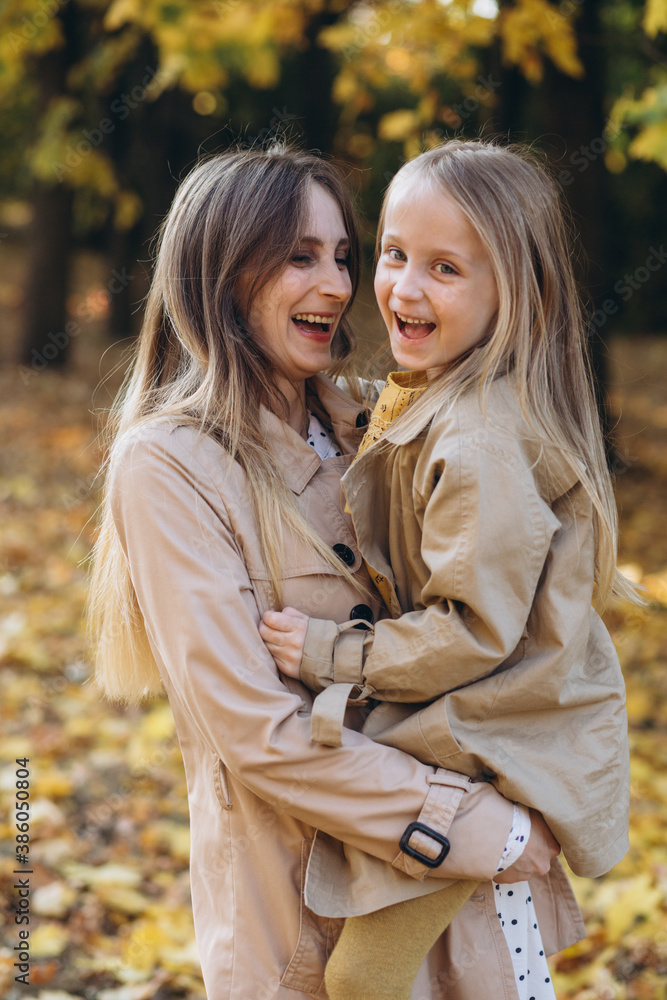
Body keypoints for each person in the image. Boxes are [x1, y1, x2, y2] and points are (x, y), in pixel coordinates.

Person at [87, 144, 579, 1000]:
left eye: (344, 256)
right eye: (298, 257)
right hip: (308, 919)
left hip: (463, 902)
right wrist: (474, 823)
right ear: (219, 275)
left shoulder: (382, 420)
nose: (340, 285)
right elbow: (255, 734)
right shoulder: (169, 465)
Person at [260, 140, 633, 1000]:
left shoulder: (479, 442)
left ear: (516, 293)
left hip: (495, 738)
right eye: (392, 254)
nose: (403, 287)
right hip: (463, 729)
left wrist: (329, 653)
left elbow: (473, 628)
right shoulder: (437, 399)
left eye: (444, 268)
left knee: (367, 978)